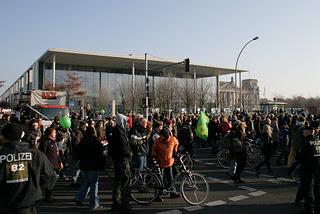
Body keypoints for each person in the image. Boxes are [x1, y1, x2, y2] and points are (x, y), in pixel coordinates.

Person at [0, 123, 55, 214]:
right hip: (27, 204)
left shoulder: (2, 155)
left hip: (5, 204)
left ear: (4, 137)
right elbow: (49, 174)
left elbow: (48, 174)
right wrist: (35, 187)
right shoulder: (36, 155)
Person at [75, 126, 105, 210]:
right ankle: (94, 204)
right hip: (93, 166)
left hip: (84, 165)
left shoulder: (82, 142)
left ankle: (79, 197)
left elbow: (78, 153)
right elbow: (101, 155)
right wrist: (102, 166)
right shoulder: (96, 142)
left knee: (87, 182)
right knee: (94, 184)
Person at [109, 113, 134, 214]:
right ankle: (125, 205)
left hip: (119, 160)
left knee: (118, 183)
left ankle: (116, 203)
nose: (127, 124)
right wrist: (130, 154)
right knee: (126, 183)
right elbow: (124, 147)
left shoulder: (117, 131)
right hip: (123, 160)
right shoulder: (119, 132)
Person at [152, 126, 180, 199]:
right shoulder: (158, 141)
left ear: (165, 136)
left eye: (161, 136)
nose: (160, 137)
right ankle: (157, 195)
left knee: (170, 178)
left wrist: (175, 151)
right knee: (159, 179)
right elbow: (154, 149)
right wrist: (154, 156)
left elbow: (177, 143)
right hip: (160, 162)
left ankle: (172, 192)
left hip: (169, 162)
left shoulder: (172, 139)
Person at [299, 120, 320, 214]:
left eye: (304, 131)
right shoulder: (318, 141)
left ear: (307, 132)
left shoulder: (305, 142)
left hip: (307, 168)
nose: (303, 133)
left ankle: (310, 209)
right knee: (316, 188)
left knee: (308, 189)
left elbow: (300, 156)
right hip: (317, 168)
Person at [38, 127, 62, 202]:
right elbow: (42, 153)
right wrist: (44, 163)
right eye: (54, 132)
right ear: (49, 133)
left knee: (54, 177)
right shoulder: (45, 142)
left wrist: (60, 162)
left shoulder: (53, 142)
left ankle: (48, 195)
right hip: (48, 164)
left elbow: (56, 153)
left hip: (55, 163)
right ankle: (43, 194)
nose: (55, 134)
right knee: (50, 178)